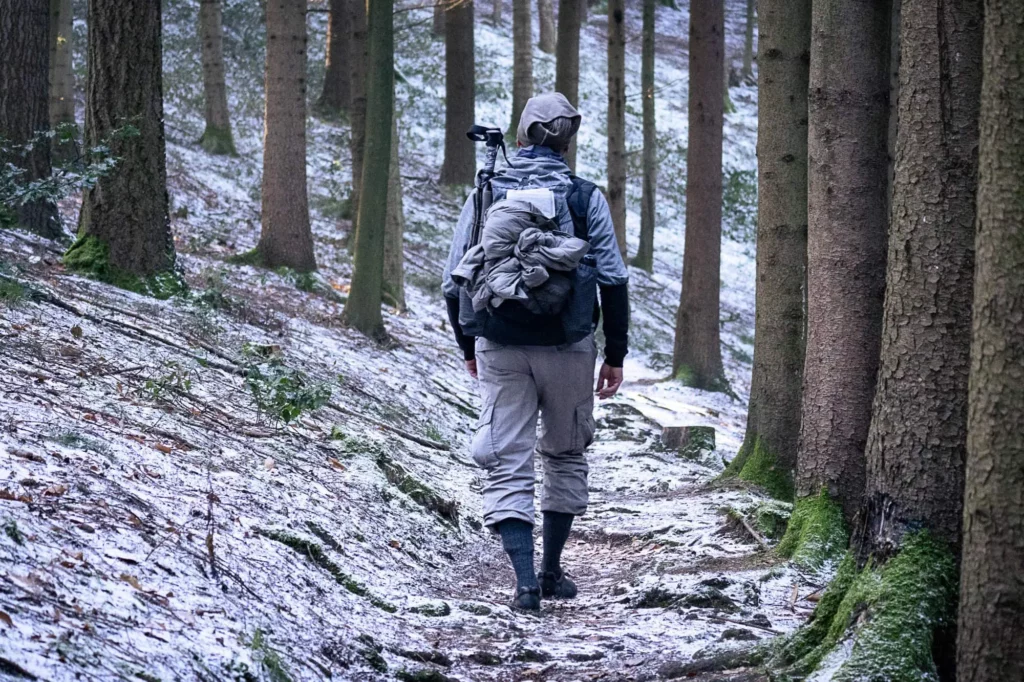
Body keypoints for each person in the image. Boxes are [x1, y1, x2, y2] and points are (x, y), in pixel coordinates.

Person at [442, 93, 630, 611]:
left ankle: (524, 582)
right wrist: (616, 353)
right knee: (565, 451)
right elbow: (612, 279)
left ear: (520, 137)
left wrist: (469, 346)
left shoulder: (485, 193)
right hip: (570, 346)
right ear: (568, 144)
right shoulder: (584, 196)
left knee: (506, 456)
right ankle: (550, 571)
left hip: (499, 340)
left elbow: (452, 281)